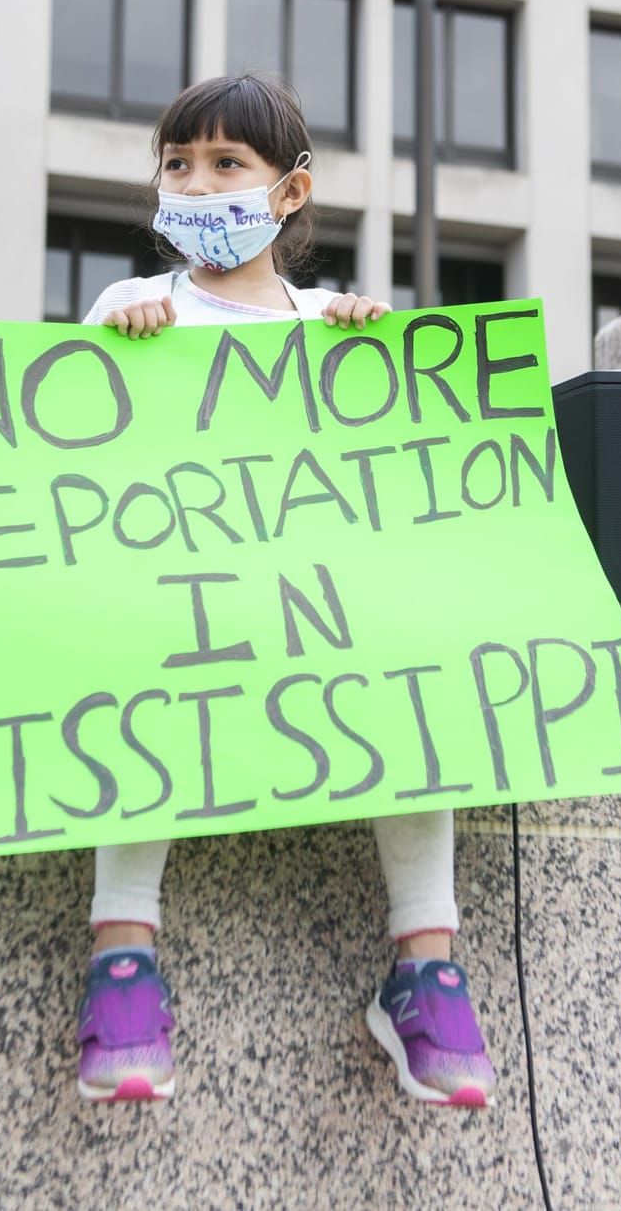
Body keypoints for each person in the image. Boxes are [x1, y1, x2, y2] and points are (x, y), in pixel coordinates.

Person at [72, 73, 497, 1110]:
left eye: (226, 165)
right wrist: (107, 343)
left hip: (321, 622)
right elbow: (68, 481)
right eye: (177, 164)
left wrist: (371, 357)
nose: (195, 182)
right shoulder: (137, 311)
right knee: (150, 663)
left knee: (415, 674)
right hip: (182, 607)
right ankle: (121, 960)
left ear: (289, 192)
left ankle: (424, 967)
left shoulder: (329, 326)